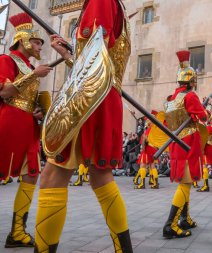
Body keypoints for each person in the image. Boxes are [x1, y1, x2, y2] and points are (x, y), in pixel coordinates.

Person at [34, 0, 133, 252]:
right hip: (104, 96)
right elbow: (95, 58)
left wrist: (70, 54)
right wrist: (67, 54)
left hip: (89, 99)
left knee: (52, 176)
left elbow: (92, 61)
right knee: (100, 176)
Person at [0, 12, 53, 248]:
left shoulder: (30, 65)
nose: (40, 45)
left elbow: (26, 100)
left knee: (32, 174)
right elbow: (4, 93)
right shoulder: (6, 59)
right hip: (9, 121)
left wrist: (38, 111)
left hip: (28, 124)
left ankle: (18, 231)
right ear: (23, 40)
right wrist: (34, 74)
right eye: (36, 41)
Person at [162, 50, 207, 239]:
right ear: (191, 81)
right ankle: (170, 225)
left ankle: (185, 218)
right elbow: (203, 116)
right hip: (188, 142)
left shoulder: (170, 100)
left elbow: (166, 124)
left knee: (184, 181)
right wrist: (205, 110)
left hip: (175, 143)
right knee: (186, 184)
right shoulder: (190, 96)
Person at [135, 110, 159, 189]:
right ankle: (155, 183)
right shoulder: (155, 129)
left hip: (147, 148)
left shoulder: (149, 129)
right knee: (152, 165)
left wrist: (143, 138)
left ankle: (142, 184)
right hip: (153, 149)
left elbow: (145, 140)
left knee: (143, 165)